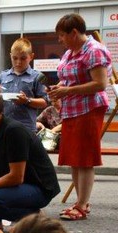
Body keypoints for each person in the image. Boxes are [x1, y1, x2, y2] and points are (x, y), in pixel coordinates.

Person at [48, 13, 113, 221]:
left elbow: (100, 84)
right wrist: (60, 87)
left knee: (84, 159)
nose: (60, 40)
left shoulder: (94, 51)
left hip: (88, 108)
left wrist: (66, 91)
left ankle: (82, 204)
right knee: (75, 159)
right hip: (72, 109)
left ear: (74, 33)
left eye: (62, 36)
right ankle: (80, 202)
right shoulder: (71, 52)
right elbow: (68, 79)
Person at [0, 89, 60, 225]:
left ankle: (35, 218)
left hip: (37, 187)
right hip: (15, 182)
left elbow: (16, 177)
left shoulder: (14, 131)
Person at [0, 37, 50, 133]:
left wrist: (27, 101)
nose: (18, 62)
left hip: (26, 129)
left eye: (23, 58)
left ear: (31, 57)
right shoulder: (3, 76)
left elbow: (45, 102)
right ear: (10, 56)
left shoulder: (37, 76)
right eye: (15, 58)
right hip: (4, 127)